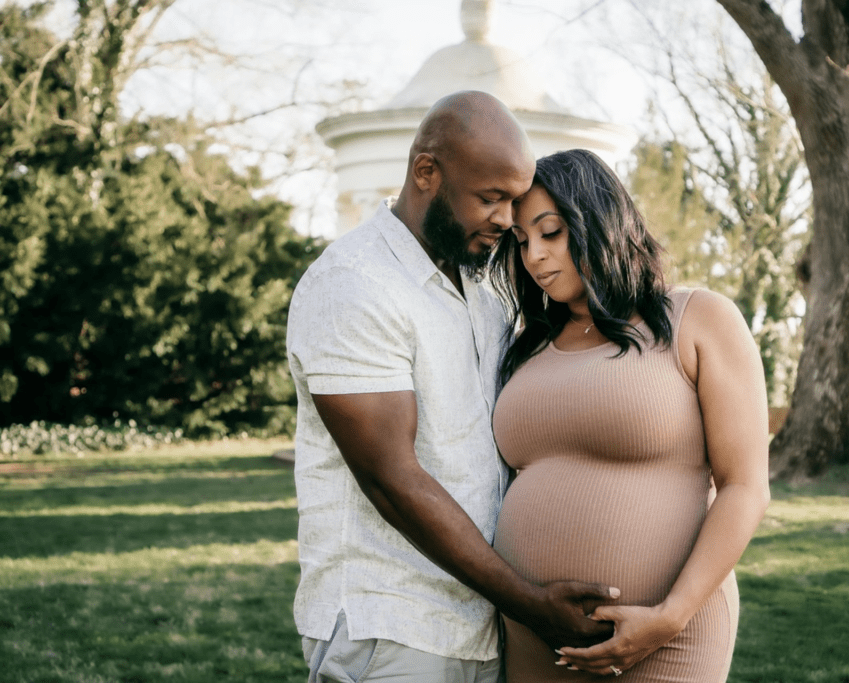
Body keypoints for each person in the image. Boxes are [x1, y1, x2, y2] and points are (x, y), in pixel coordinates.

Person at [285, 93, 619, 683]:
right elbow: (394, 481)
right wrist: (530, 603)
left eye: (514, 201)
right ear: (426, 173)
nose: (507, 219)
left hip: (479, 630)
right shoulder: (354, 284)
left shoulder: (483, 290)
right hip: (389, 629)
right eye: (491, 197)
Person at [489, 148, 771, 681]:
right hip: (536, 636)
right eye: (521, 242)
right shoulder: (526, 347)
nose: (534, 258)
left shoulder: (698, 318)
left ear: (597, 220)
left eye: (551, 233)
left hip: (669, 637)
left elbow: (745, 486)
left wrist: (671, 616)